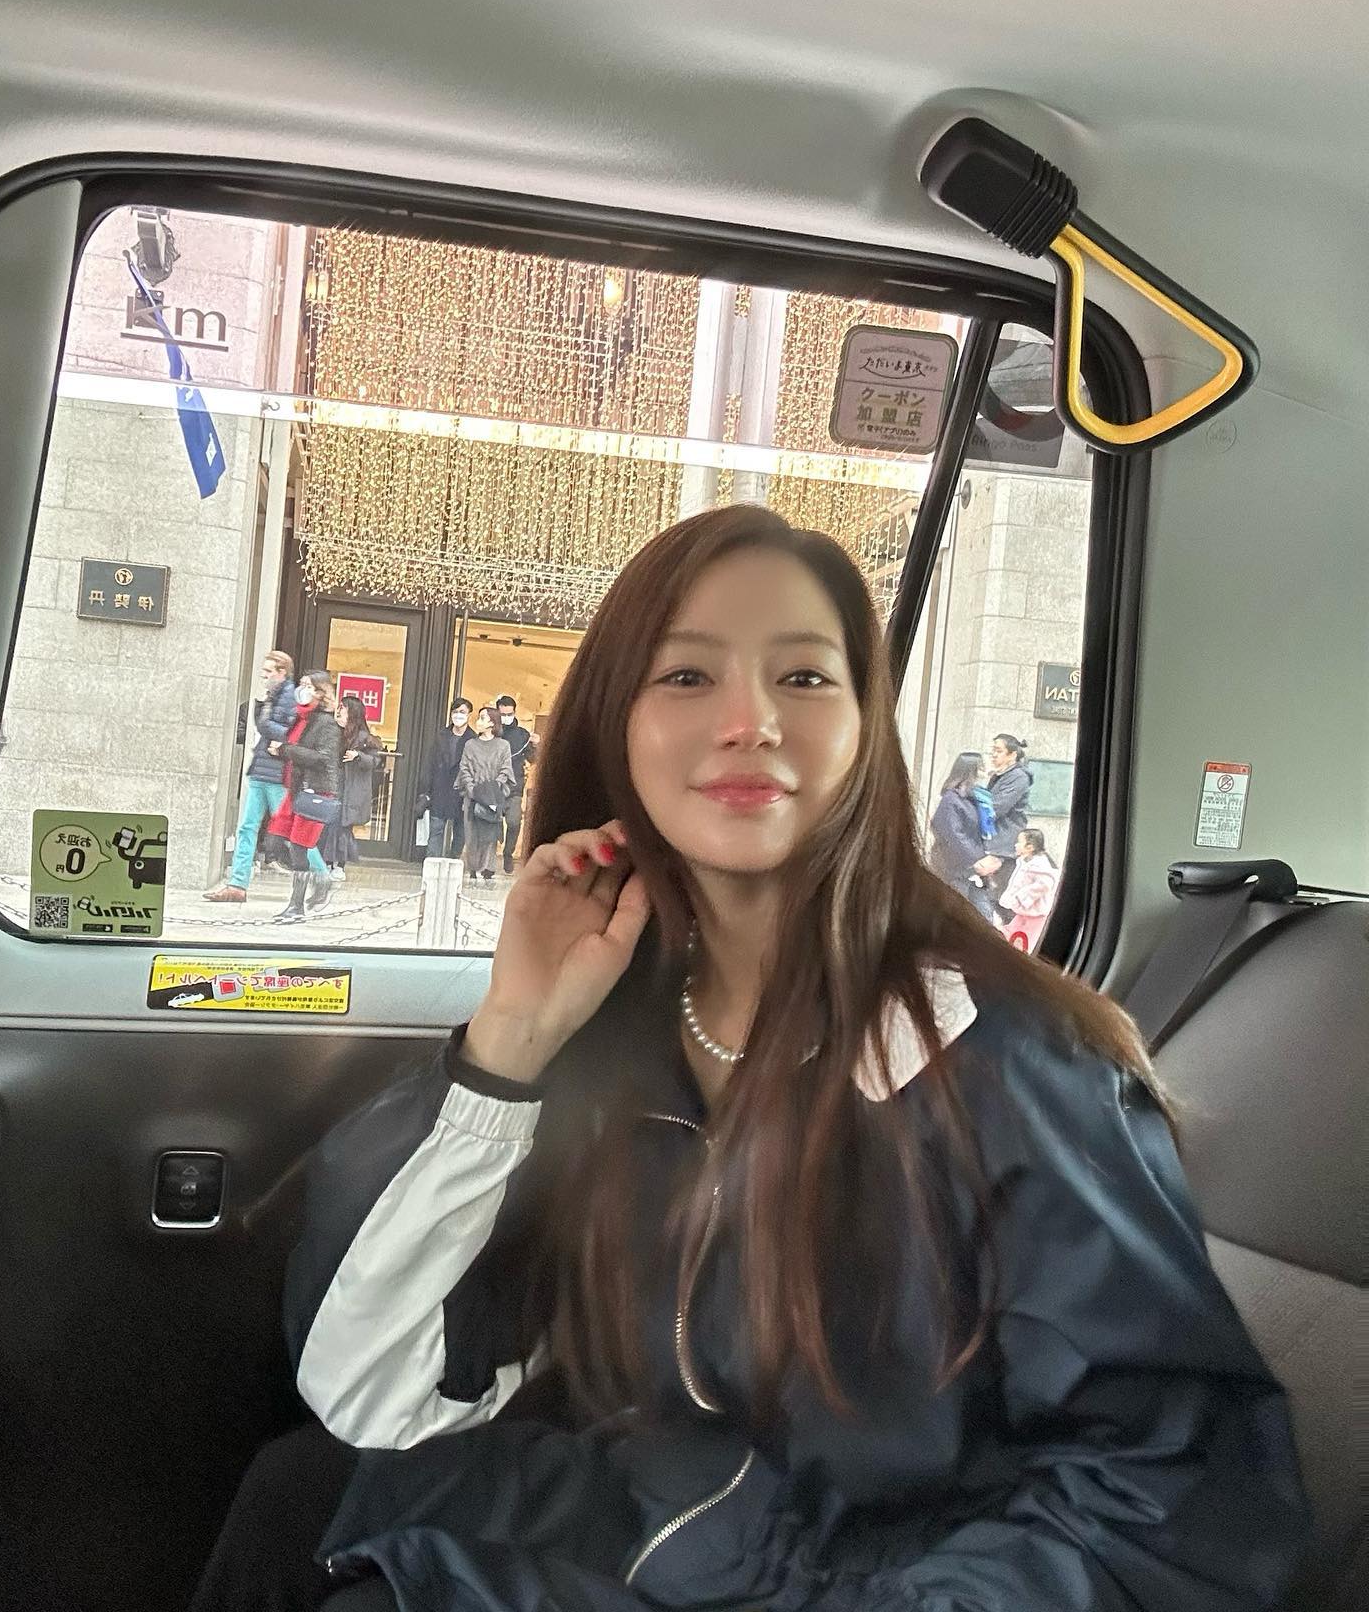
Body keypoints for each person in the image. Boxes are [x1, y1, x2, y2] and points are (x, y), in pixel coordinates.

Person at [193, 505, 1308, 1612]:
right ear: (616, 724)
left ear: (865, 730)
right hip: (662, 1523)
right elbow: (373, 1389)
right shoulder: (618, 1036)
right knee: (300, 1496)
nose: (750, 722)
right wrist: (512, 1039)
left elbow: (1170, 1497)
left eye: (805, 678)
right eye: (687, 677)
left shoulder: (1011, 1066)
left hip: (886, 1579)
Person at [204, 651, 297, 904]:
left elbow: (293, 733)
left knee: (291, 830)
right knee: (247, 828)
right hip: (262, 769)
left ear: (281, 672)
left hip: (277, 774)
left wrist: (265, 722)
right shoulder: (273, 696)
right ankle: (237, 884)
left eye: (268, 671)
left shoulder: (289, 696)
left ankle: (318, 876)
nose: (263, 675)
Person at [263, 671, 342, 925]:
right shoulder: (300, 718)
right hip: (295, 789)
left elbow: (322, 758)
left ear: (320, 692)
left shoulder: (327, 724)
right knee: (274, 841)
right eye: (302, 684)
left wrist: (286, 750)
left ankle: (296, 905)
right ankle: (320, 880)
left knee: (299, 848)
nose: (302, 689)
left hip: (314, 791)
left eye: (308, 686)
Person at [972, 730, 1033, 921]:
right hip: (994, 841)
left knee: (1000, 900)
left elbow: (996, 807)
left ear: (1012, 755)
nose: (993, 755)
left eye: (998, 751)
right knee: (990, 897)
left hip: (1004, 845)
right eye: (993, 750)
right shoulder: (999, 776)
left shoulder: (1018, 777)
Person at [927, 749, 993, 918]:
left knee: (984, 915)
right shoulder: (951, 799)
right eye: (981, 768)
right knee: (954, 915)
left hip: (972, 870)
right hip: (953, 868)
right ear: (970, 771)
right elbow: (953, 834)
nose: (986, 773)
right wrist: (976, 859)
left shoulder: (975, 799)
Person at [454, 705, 515, 882]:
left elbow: (506, 769)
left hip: (493, 795)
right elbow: (464, 768)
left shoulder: (503, 746)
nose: (479, 721)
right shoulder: (470, 745)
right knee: (472, 833)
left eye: (482, 717)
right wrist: (473, 789)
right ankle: (473, 867)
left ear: (492, 722)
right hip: (473, 795)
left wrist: (494, 788)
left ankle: (488, 868)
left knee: (490, 832)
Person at [325, 695, 382, 879]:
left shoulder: (364, 737)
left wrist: (358, 756)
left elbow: (374, 760)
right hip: (333, 785)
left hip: (351, 789)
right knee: (330, 825)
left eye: (344, 708)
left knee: (343, 827)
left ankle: (339, 865)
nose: (339, 711)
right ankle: (327, 863)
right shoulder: (333, 731)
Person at [417, 698, 473, 860]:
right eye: (455, 712)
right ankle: (432, 863)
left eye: (462, 712)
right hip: (440, 788)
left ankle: (453, 861)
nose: (458, 715)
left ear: (469, 714)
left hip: (461, 791)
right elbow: (430, 763)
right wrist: (426, 789)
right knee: (436, 828)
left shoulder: (473, 739)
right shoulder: (441, 736)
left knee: (460, 831)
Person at [493, 694, 539, 874]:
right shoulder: (491, 732)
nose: (506, 717)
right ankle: (489, 858)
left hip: (514, 787)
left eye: (509, 714)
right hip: (493, 787)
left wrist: (536, 745)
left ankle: (508, 853)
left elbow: (533, 759)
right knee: (491, 823)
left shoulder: (522, 735)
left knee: (513, 822)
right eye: (502, 714)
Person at [999, 825, 1060, 951]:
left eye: (1019, 842)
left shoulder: (1039, 865)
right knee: (1013, 933)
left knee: (1027, 940)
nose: (1015, 845)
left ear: (1030, 847)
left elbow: (1045, 884)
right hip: (1025, 912)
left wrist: (1022, 897)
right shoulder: (1024, 862)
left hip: (1034, 912)